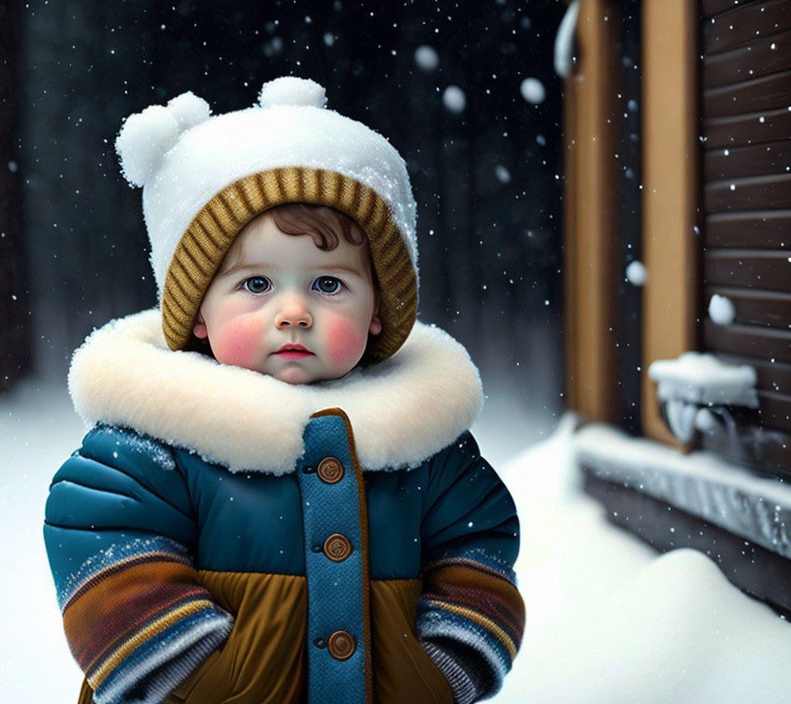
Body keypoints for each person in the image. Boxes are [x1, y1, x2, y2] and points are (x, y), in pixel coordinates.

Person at [44, 76, 525, 704]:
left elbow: (478, 551)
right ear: (195, 313)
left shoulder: (425, 450)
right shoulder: (148, 448)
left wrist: (437, 673)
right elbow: (108, 560)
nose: (294, 312)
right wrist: (209, 683)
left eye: (328, 285)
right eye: (256, 285)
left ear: (378, 309)